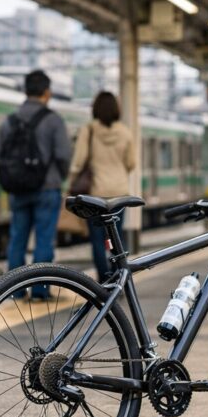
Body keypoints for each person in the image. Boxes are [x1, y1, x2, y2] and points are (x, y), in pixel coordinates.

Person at [0, 69, 72, 299]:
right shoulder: (53, 120)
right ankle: (40, 290)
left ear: (26, 91)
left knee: (17, 239)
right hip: (47, 188)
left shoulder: (9, 121)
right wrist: (58, 177)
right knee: (44, 239)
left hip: (18, 190)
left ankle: (16, 291)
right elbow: (63, 155)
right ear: (47, 93)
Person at [67, 91, 137, 281]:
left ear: (95, 109)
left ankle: (103, 279)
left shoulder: (89, 130)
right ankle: (118, 276)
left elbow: (78, 162)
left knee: (98, 240)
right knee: (116, 237)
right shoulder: (125, 132)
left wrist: (71, 181)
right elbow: (131, 163)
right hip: (119, 193)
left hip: (96, 193)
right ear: (116, 109)